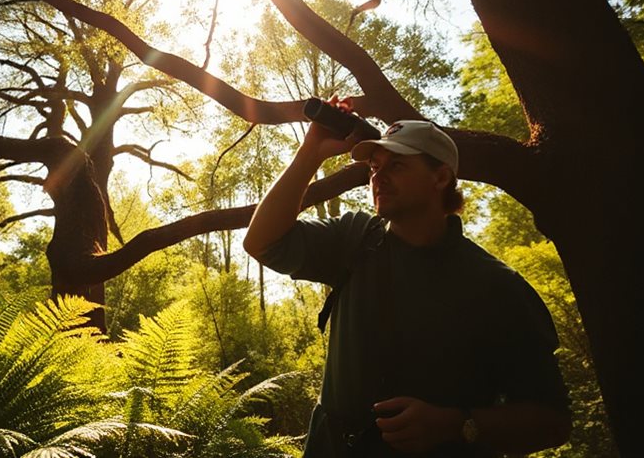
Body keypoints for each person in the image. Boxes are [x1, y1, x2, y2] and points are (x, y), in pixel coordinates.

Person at [243, 98, 571, 457]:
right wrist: (310, 153)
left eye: (396, 165)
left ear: (441, 177)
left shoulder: (496, 285)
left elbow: (551, 421)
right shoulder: (354, 238)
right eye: (374, 166)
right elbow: (262, 242)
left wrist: (456, 424)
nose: (377, 176)